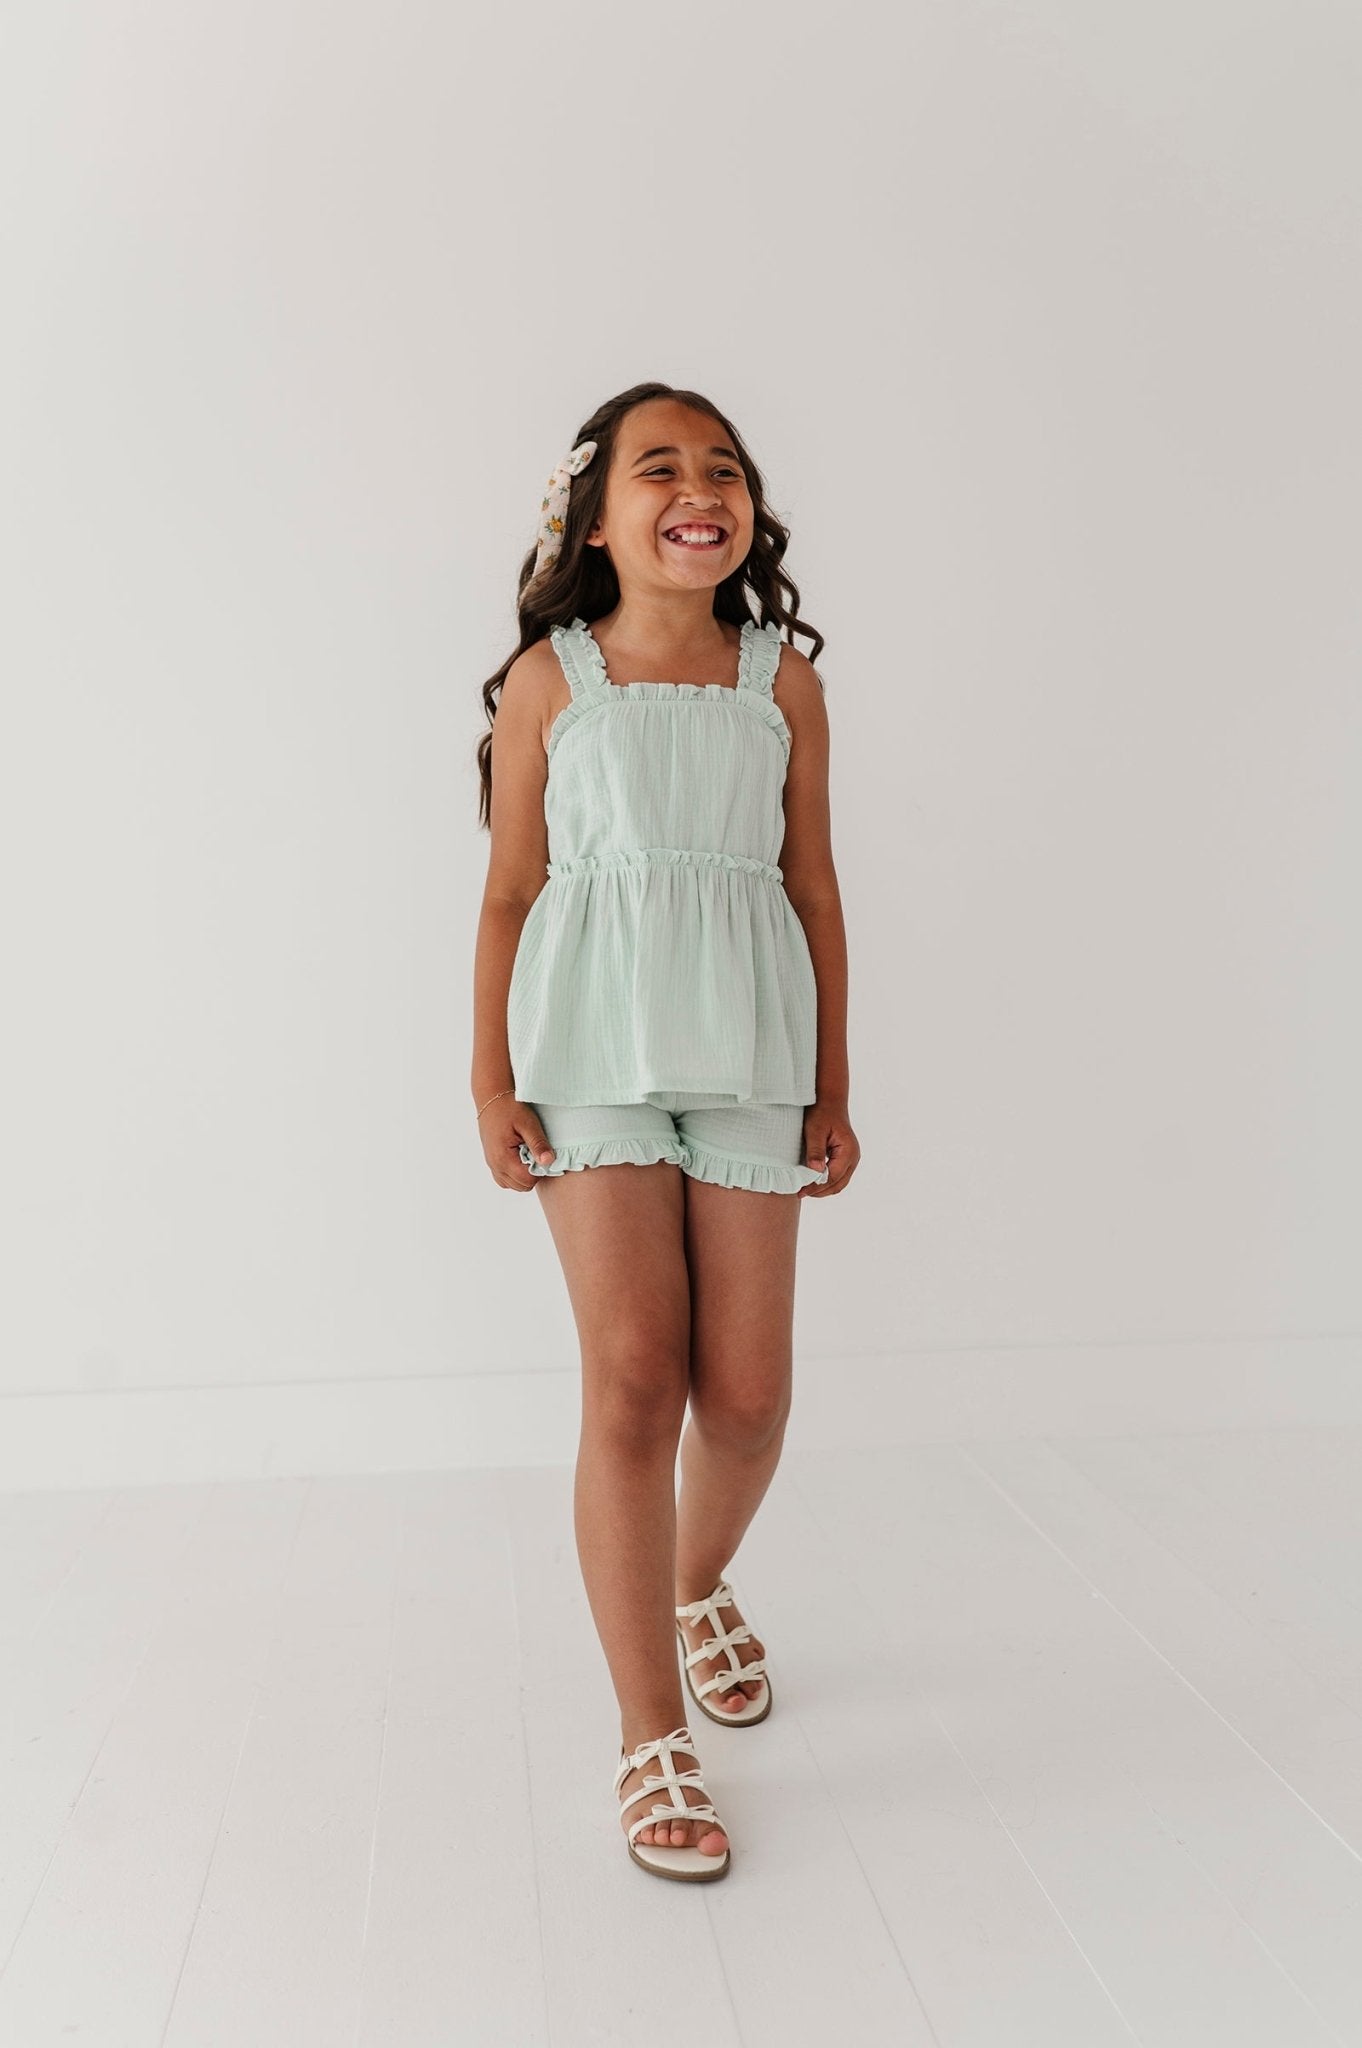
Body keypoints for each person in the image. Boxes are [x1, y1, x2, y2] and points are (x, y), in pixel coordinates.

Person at [471, 381, 860, 1882]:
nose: (699, 489)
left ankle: (693, 1581)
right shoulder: (550, 680)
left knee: (746, 1401)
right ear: (592, 517)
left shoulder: (782, 683)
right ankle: (651, 1733)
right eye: (659, 468)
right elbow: (511, 891)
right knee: (636, 1376)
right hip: (589, 1047)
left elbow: (813, 890)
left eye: (723, 468)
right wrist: (489, 1080)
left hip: (749, 1041)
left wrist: (832, 1082)